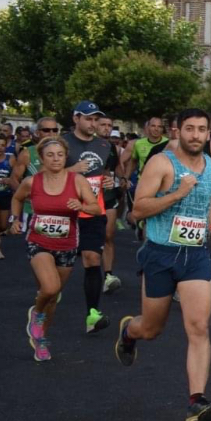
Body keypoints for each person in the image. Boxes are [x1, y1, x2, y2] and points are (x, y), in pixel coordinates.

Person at [114, 109, 211, 421]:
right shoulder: (162, 163)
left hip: (195, 257)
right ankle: (129, 332)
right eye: (189, 129)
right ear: (178, 131)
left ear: (208, 134)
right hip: (161, 254)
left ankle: (196, 400)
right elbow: (138, 209)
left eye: (202, 129)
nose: (195, 135)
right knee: (152, 329)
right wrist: (177, 192)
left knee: (199, 327)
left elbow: (207, 203)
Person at [7, 137, 97, 361]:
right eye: (50, 155)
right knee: (49, 288)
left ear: (66, 156)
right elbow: (17, 198)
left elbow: (96, 207)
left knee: (53, 296)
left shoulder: (76, 180)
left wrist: (82, 206)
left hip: (66, 246)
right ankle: (36, 313)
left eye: (60, 154)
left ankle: (41, 340)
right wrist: (14, 219)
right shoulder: (32, 181)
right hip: (39, 241)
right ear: (41, 158)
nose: (56, 159)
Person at [63, 102, 117, 332]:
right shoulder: (62, 143)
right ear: (76, 118)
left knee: (92, 259)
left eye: (96, 119)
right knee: (61, 268)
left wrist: (109, 181)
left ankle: (92, 315)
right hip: (65, 212)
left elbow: (105, 172)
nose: (93, 124)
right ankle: (48, 293)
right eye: (88, 119)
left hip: (94, 210)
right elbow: (44, 174)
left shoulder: (104, 145)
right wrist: (72, 170)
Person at [92, 116, 124, 295]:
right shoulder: (87, 145)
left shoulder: (111, 146)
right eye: (102, 124)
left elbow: (117, 166)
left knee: (109, 235)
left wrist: (123, 178)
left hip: (108, 195)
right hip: (88, 196)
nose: (106, 128)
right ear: (95, 125)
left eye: (109, 125)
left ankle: (108, 275)